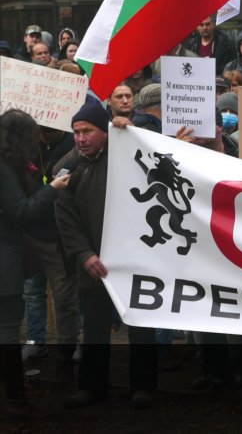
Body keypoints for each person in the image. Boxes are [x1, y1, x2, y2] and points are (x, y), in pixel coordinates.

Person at [56, 101, 158, 408]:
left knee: (140, 325)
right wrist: (85, 255)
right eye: (76, 132)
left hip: (133, 260)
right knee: (95, 327)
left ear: (105, 132)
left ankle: (143, 386)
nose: (80, 138)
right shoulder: (71, 169)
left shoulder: (125, 155)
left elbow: (154, 154)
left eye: (87, 131)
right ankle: (91, 386)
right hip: (94, 264)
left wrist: (131, 129)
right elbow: (65, 217)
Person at [2, 110, 72, 420]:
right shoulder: (4, 168)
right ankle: (16, 402)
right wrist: (52, 189)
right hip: (6, 263)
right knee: (6, 333)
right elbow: (22, 211)